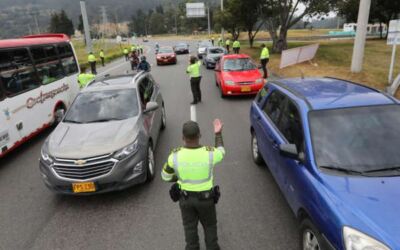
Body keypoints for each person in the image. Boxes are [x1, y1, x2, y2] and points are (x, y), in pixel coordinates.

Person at [162, 119, 225, 250]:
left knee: (189, 229)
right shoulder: (210, 153)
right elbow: (222, 151)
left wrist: (179, 177)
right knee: (210, 227)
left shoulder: (174, 156)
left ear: (183, 138)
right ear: (199, 136)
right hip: (206, 200)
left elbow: (165, 176)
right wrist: (218, 134)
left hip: (185, 200)